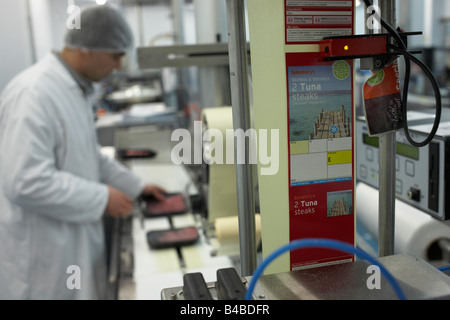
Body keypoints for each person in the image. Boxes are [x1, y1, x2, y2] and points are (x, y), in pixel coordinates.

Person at [0, 4, 165, 299]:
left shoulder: (77, 90)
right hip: (43, 260)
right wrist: (102, 198)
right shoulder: (33, 93)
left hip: (71, 245)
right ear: (87, 49)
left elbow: (91, 157)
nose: (117, 66)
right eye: (115, 56)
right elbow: (24, 181)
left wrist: (138, 187)